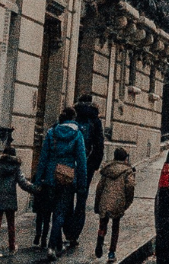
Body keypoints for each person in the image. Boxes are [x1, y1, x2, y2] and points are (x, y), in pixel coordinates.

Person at [35, 105, 88, 257]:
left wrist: (39, 180)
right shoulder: (77, 135)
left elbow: (43, 158)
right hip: (67, 176)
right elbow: (82, 161)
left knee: (52, 210)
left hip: (51, 176)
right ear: (73, 118)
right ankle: (52, 246)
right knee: (60, 212)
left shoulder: (51, 133)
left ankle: (57, 244)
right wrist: (82, 185)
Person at [0, 141, 34, 257]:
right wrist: (36, 189)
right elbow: (23, 183)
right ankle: (12, 247)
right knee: (11, 225)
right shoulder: (16, 169)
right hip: (10, 200)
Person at [68, 94, 106, 243]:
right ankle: (75, 234)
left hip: (71, 163)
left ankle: (67, 230)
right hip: (87, 164)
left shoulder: (74, 116)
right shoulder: (95, 120)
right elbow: (99, 145)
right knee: (81, 199)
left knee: (68, 196)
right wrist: (94, 165)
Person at [93, 146, 136, 260]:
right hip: (118, 201)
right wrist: (127, 201)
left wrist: (97, 204)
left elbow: (99, 187)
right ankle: (111, 252)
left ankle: (100, 241)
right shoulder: (127, 171)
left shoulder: (107, 169)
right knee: (115, 227)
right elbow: (130, 186)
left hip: (105, 201)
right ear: (125, 158)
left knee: (103, 224)